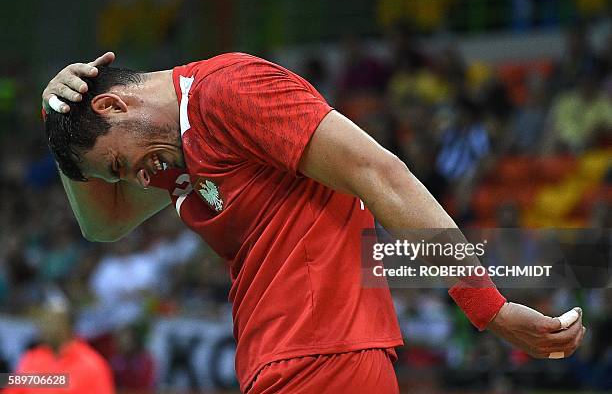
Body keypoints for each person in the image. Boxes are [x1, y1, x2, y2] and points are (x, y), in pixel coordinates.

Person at [41, 52, 585, 393]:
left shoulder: (231, 92)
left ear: (113, 105)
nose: (135, 179)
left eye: (117, 165)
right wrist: (55, 121)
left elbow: (380, 173)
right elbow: (103, 225)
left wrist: (486, 306)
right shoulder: (171, 153)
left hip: (326, 356)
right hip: (276, 363)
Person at [4, 292, 114, 394]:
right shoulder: (32, 359)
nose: (43, 328)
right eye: (42, 322)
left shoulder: (91, 365)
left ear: (66, 326)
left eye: (49, 322)